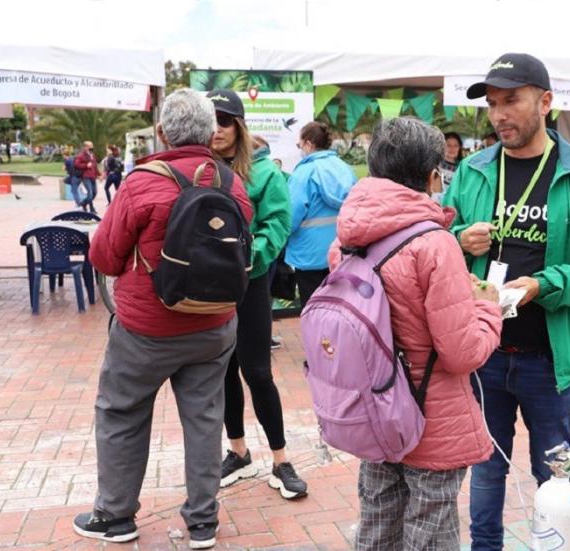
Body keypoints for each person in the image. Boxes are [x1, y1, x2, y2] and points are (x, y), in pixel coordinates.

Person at [442, 53, 570, 550]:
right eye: (493, 104)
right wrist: (459, 239)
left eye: (511, 101)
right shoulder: (474, 172)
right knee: (484, 472)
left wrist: (540, 285)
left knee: (558, 480)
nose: (499, 114)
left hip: (554, 361)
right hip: (485, 355)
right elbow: (437, 242)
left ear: (545, 102)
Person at [76, 89, 255, 550]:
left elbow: (105, 256)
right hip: (213, 326)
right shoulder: (232, 185)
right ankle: (202, 523)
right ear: (209, 133)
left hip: (146, 330)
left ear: (162, 133)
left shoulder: (142, 182)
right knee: (204, 418)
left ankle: (116, 516)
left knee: (121, 412)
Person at [328, 117, 502, 550]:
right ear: (431, 176)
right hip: (430, 418)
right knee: (429, 535)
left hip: (373, 413)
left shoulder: (349, 238)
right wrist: (489, 308)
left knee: (378, 526)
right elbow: (462, 353)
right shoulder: (434, 244)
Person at [205, 89, 306, 499]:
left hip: (251, 281)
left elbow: (278, 225)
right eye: (210, 120)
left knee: (257, 371)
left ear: (240, 126)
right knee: (223, 370)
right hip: (211, 288)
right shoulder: (200, 168)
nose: (217, 129)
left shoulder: (265, 174)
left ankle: (281, 460)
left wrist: (248, 259)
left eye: (225, 121)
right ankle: (239, 452)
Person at [286, 121, 357, 304]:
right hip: (342, 251)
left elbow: (291, 216)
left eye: (299, 145)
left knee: (314, 309)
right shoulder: (346, 169)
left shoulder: (303, 174)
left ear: (308, 144)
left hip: (309, 254)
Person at [431, 131, 464, 202]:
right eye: (448, 145)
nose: (452, 149)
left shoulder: (463, 167)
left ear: (460, 148)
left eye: (455, 146)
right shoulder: (433, 164)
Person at [73, 140, 99, 213]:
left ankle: (84, 203)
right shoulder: (81, 155)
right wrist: (86, 165)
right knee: (90, 193)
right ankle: (90, 207)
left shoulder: (92, 155)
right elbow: (76, 164)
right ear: (85, 147)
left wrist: (99, 175)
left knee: (94, 193)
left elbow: (95, 166)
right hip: (86, 177)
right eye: (90, 146)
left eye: (92, 146)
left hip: (93, 176)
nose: (91, 148)